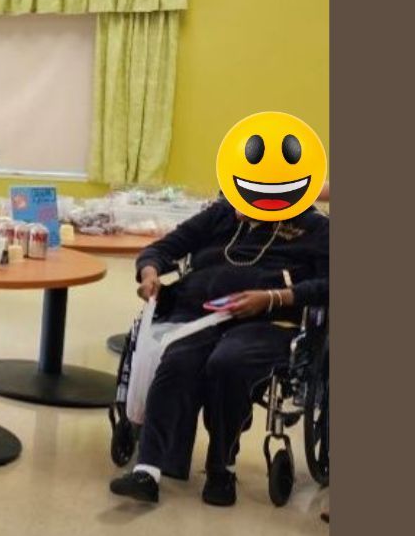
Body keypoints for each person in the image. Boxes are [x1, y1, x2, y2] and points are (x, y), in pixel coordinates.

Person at [109, 193, 329, 507]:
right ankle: (148, 470)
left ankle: (221, 467)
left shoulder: (314, 228)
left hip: (269, 321)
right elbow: (161, 249)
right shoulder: (221, 215)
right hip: (200, 315)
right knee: (177, 361)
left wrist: (274, 297)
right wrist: (150, 273)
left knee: (227, 363)